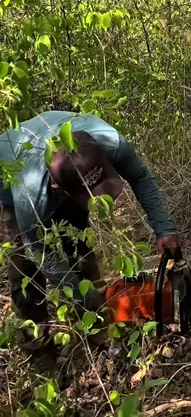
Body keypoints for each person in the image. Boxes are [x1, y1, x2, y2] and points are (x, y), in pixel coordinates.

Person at [0, 111, 181, 365]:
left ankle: (97, 329)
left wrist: (165, 229)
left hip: (63, 170)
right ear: (59, 189)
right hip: (11, 179)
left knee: (79, 246)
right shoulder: (29, 194)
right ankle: (40, 354)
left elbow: (140, 177)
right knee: (25, 270)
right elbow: (39, 251)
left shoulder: (110, 141)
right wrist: (78, 295)